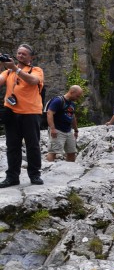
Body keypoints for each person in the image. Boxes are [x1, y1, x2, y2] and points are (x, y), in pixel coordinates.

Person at [0, 44, 45, 187]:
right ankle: (12, 177)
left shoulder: (36, 70)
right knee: (12, 146)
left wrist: (15, 68)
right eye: (18, 53)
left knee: (33, 146)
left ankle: (35, 175)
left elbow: (33, 81)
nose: (20, 56)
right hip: (12, 113)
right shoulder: (8, 73)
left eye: (24, 54)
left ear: (31, 57)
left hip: (30, 113)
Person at [45, 85, 83, 162]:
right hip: (57, 129)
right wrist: (52, 129)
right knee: (53, 151)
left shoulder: (72, 104)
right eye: (77, 96)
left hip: (68, 130)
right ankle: (48, 169)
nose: (77, 98)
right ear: (72, 92)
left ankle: (69, 169)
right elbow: (49, 113)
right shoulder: (58, 100)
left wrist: (76, 130)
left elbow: (72, 116)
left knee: (72, 152)